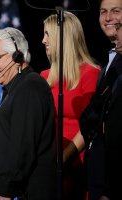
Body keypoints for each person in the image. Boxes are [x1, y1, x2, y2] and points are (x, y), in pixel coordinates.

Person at [0, 27, 56, 200]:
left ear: (17, 56)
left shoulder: (30, 88)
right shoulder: (15, 88)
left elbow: (22, 148)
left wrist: (4, 191)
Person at [40, 12, 101, 200]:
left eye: (47, 34)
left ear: (63, 38)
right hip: (48, 164)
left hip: (77, 164)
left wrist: (63, 159)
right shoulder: (44, 76)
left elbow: (90, 127)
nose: (43, 41)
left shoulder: (90, 74)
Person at [79, 0, 122, 199]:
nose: (108, 18)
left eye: (116, 11)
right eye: (103, 12)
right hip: (99, 169)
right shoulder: (109, 62)